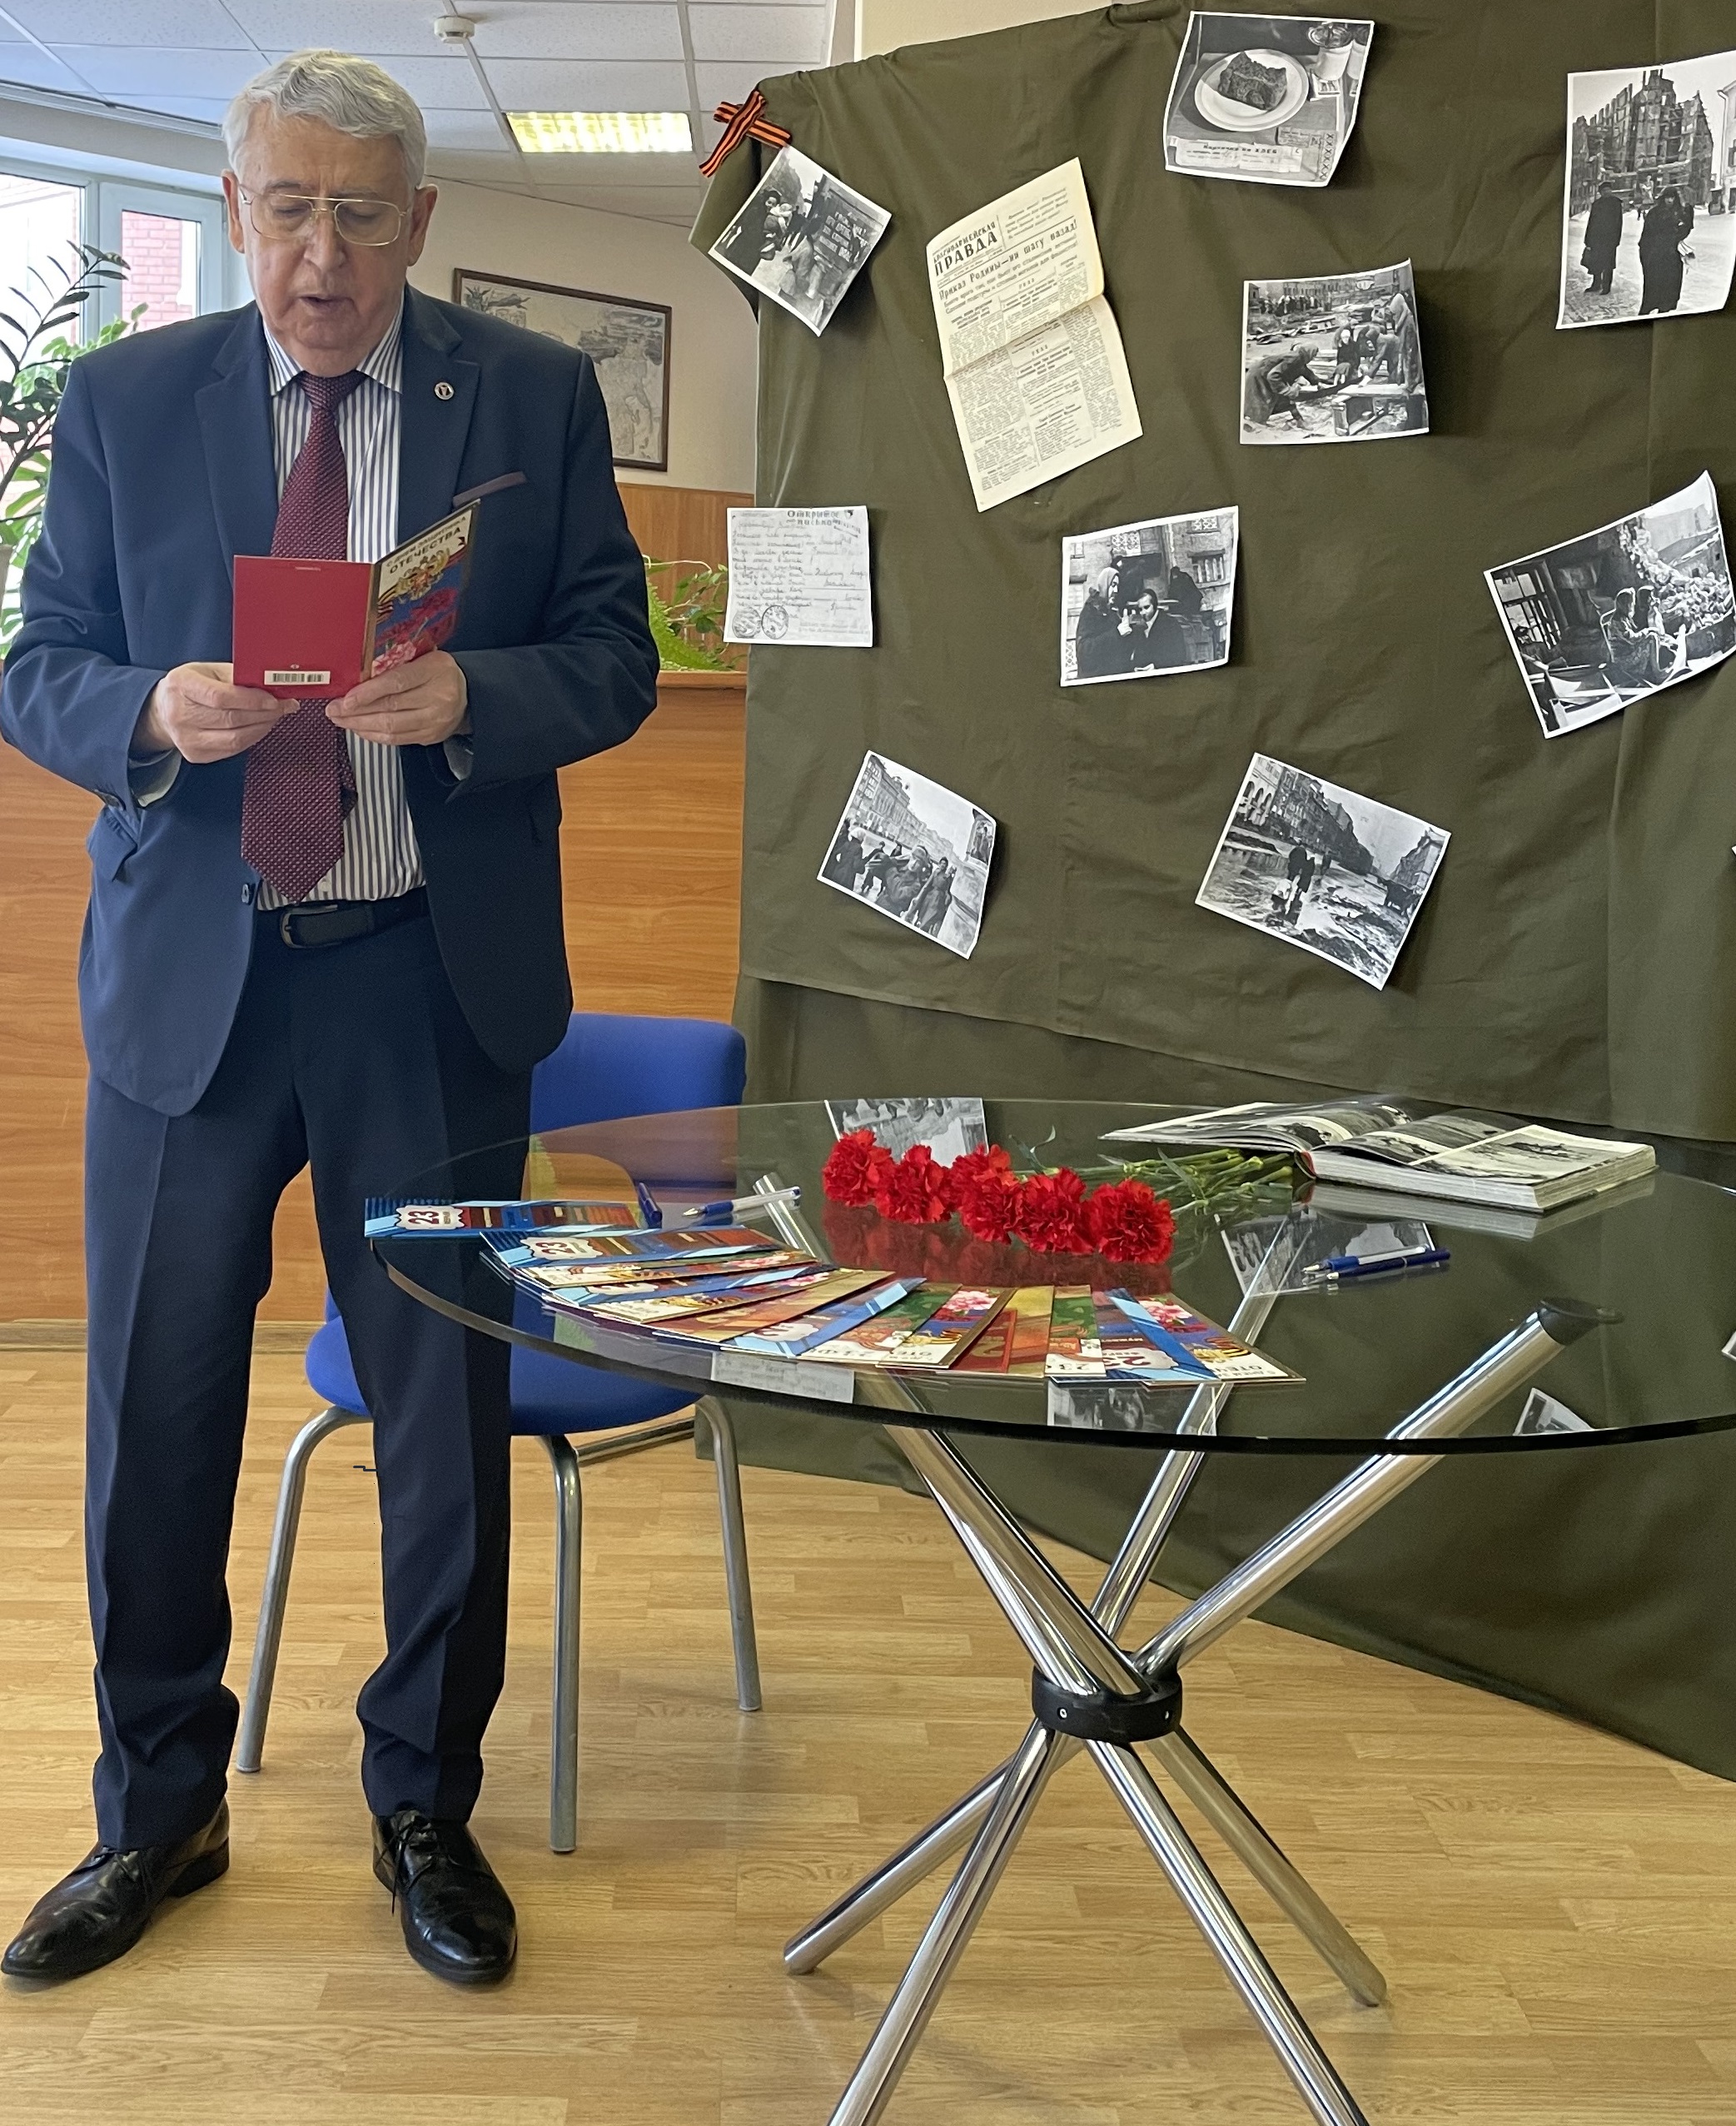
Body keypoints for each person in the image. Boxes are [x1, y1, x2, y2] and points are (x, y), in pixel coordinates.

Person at [0, 51, 658, 1990]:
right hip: (191, 985)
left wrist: (479, 702)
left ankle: (423, 1803)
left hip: (424, 983)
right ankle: (156, 1806)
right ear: (234, 211)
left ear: (419, 222)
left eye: (360, 214)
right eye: (287, 209)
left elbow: (612, 650)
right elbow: (37, 660)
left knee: (442, 1413)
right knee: (155, 1410)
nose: (320, 255)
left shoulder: (525, 397)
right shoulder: (126, 402)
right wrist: (145, 710)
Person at [1243, 343, 1326, 431]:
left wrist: (1317, 382)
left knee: (1287, 399)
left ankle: (1299, 420)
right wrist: (1286, 390)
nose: (1313, 358)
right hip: (1259, 377)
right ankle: (1254, 425)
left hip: (1266, 376)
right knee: (1262, 402)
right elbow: (1273, 376)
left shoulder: (1299, 359)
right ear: (1309, 353)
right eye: (1313, 356)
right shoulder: (1294, 359)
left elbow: (1305, 371)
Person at [1637, 186, 1694, 316]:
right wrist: (1646, 255)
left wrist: (1678, 235)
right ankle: (1646, 311)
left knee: (1670, 285)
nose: (1670, 200)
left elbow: (1686, 229)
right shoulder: (1655, 213)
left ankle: (1665, 310)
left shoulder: (1680, 212)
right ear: (1663, 198)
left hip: (1671, 255)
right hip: (1655, 254)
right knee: (1653, 284)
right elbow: (1647, 235)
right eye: (1667, 197)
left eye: (1672, 197)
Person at [1072, 566, 1127, 680]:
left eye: (1118, 586)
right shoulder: (1090, 611)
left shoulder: (1112, 612)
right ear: (1104, 585)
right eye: (1113, 585)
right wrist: (1116, 633)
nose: (1116, 591)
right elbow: (1084, 649)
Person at [1121, 585, 1191, 673]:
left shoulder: (1171, 624)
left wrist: (1157, 666)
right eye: (1140, 609)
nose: (1143, 612)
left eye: (1146, 607)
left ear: (1155, 605)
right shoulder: (1138, 626)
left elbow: (1179, 655)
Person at [1581, 187, 1624, 296]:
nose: (1607, 192)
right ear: (1600, 192)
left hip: (1610, 239)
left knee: (1608, 264)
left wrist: (1616, 240)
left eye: (1609, 190)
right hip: (1596, 238)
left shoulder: (1616, 203)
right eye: (1604, 191)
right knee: (1596, 262)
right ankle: (1596, 284)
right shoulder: (1597, 204)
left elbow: (1619, 223)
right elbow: (1591, 222)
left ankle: (1606, 287)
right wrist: (1588, 239)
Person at [912, 855, 954, 938]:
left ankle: (924, 929)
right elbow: (927, 885)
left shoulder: (947, 877)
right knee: (922, 916)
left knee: (931, 918)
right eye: (941, 863)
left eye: (944, 864)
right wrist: (919, 897)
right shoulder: (935, 873)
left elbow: (947, 890)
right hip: (930, 897)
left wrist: (947, 898)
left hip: (939, 900)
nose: (943, 865)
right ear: (939, 864)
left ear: (946, 866)